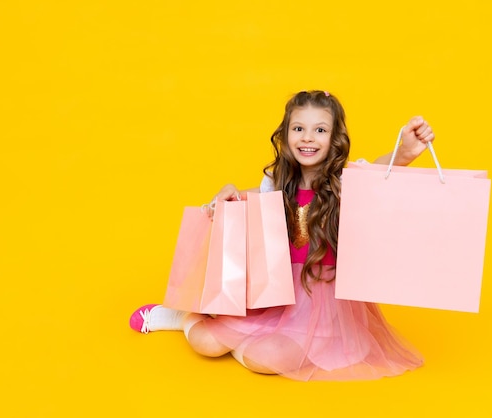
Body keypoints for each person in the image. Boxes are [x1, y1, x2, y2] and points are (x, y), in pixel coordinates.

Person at [129, 90, 435, 381]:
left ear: (335, 138)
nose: (307, 138)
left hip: (324, 302)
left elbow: (380, 170)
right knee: (207, 344)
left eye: (320, 130)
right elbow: (253, 198)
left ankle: (241, 339)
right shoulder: (278, 181)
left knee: (264, 359)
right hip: (277, 293)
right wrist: (230, 194)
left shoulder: (344, 180)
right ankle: (183, 317)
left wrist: (405, 152)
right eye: (298, 128)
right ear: (286, 134)